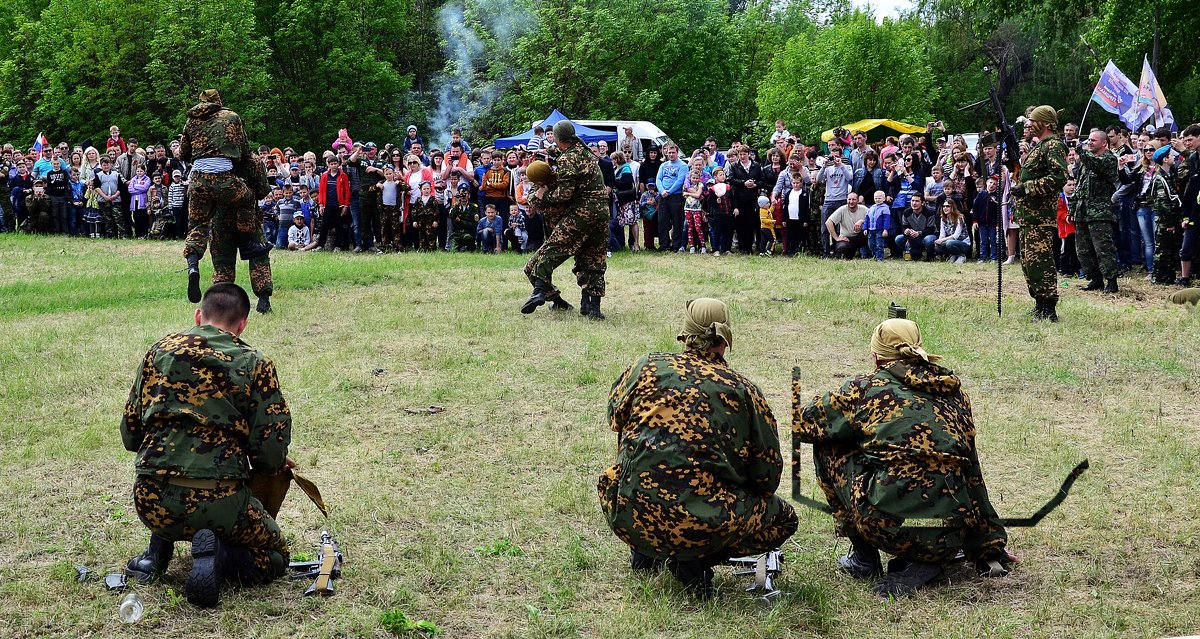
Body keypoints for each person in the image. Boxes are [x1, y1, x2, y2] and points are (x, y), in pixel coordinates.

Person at [794, 318, 1012, 598]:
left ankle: (864, 559)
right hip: (950, 533)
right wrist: (989, 546)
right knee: (952, 461)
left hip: (889, 529)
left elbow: (804, 424)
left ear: (876, 356)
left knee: (828, 444)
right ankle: (927, 556)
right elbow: (972, 472)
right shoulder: (954, 393)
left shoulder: (863, 389)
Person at [599, 298, 798, 598]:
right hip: (702, 525)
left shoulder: (645, 366)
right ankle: (694, 559)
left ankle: (647, 548)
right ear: (724, 339)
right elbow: (767, 476)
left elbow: (616, 420)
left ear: (685, 334)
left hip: (627, 513)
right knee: (784, 517)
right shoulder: (744, 391)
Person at [121, 283, 292, 608]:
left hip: (151, 501)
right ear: (243, 324)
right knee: (276, 556)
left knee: (171, 470)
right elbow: (270, 453)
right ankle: (221, 556)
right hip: (222, 504)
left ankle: (154, 557)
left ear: (199, 316)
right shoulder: (255, 362)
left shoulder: (158, 352)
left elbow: (130, 435)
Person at [180, 89, 274, 313]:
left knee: (220, 257)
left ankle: (197, 268)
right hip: (245, 215)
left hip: (216, 210)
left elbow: (183, 153)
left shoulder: (191, 121)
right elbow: (261, 191)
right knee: (259, 254)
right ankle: (263, 300)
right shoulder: (252, 160)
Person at [522, 121, 609, 319]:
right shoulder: (586, 152)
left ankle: (541, 290)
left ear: (559, 139)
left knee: (547, 253)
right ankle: (592, 308)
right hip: (601, 212)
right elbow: (559, 153)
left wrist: (544, 194)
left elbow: (565, 193)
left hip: (582, 213)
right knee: (594, 258)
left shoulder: (566, 160)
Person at [1011, 105, 1069, 321]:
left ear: (1045, 123)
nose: (1029, 124)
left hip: (1040, 216)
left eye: (1033, 121)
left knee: (1041, 263)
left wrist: (1027, 187)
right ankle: (1039, 302)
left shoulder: (1053, 145)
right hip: (1029, 215)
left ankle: (1049, 307)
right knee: (1029, 263)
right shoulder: (1040, 145)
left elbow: (1059, 178)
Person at [1073, 130, 1120, 293]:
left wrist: (1080, 151)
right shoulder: (1086, 161)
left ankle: (1111, 281)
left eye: (1093, 140)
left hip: (1100, 213)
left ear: (1104, 143)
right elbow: (1079, 187)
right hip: (1083, 212)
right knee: (1083, 249)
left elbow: (1097, 165)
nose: (1090, 143)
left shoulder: (1109, 159)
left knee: (1103, 248)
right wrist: (1073, 209)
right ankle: (1095, 279)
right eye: (1088, 140)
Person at [1149, 146, 1182, 285]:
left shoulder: (1170, 175)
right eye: (1171, 155)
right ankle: (1158, 277)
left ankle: (1169, 276)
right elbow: (1163, 204)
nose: (1174, 157)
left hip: (1173, 219)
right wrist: (1169, 224)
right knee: (1162, 250)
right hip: (1164, 221)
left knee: (1171, 249)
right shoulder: (1160, 179)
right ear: (1165, 159)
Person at [825, 192, 867, 259]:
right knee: (842, 249)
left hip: (860, 237)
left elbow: (873, 220)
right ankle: (849, 254)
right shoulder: (842, 209)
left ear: (858, 200)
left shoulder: (864, 209)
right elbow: (828, 222)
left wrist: (862, 221)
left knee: (870, 234)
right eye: (849, 199)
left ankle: (871, 255)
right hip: (846, 238)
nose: (851, 201)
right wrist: (836, 238)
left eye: (854, 199)